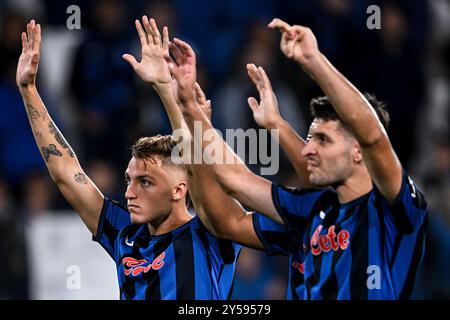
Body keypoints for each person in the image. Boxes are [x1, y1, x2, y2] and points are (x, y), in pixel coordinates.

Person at [166, 18, 428, 299]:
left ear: (358, 151)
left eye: (323, 140)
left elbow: (373, 136)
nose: (306, 149)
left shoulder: (392, 208)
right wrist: (190, 109)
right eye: (311, 138)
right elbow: (234, 180)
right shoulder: (310, 209)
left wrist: (314, 61)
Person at [16, 18, 240, 300]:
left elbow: (195, 162)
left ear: (179, 189)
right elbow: (65, 171)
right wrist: (29, 91)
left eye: (145, 182)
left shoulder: (212, 233)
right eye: (129, 180)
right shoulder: (125, 232)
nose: (129, 192)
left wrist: (163, 88)